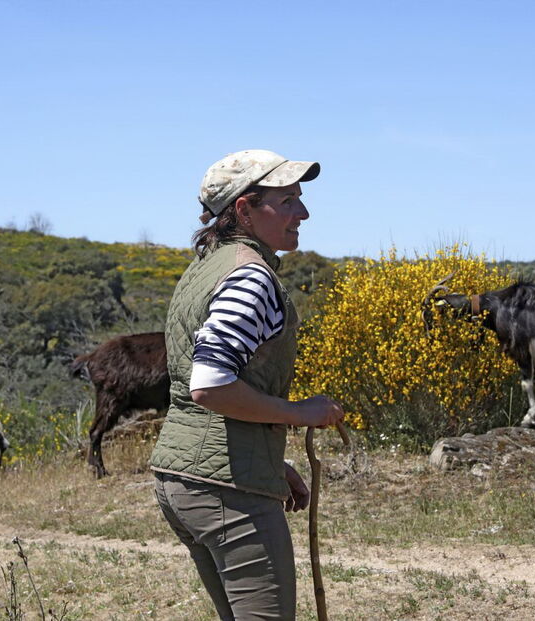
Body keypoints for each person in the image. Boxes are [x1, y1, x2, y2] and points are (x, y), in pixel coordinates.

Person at [149, 149, 345, 620]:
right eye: (288, 200)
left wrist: (269, 462)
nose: (303, 212)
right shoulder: (250, 276)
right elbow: (211, 388)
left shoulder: (206, 268)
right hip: (226, 489)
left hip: (188, 477)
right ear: (244, 209)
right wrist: (301, 413)